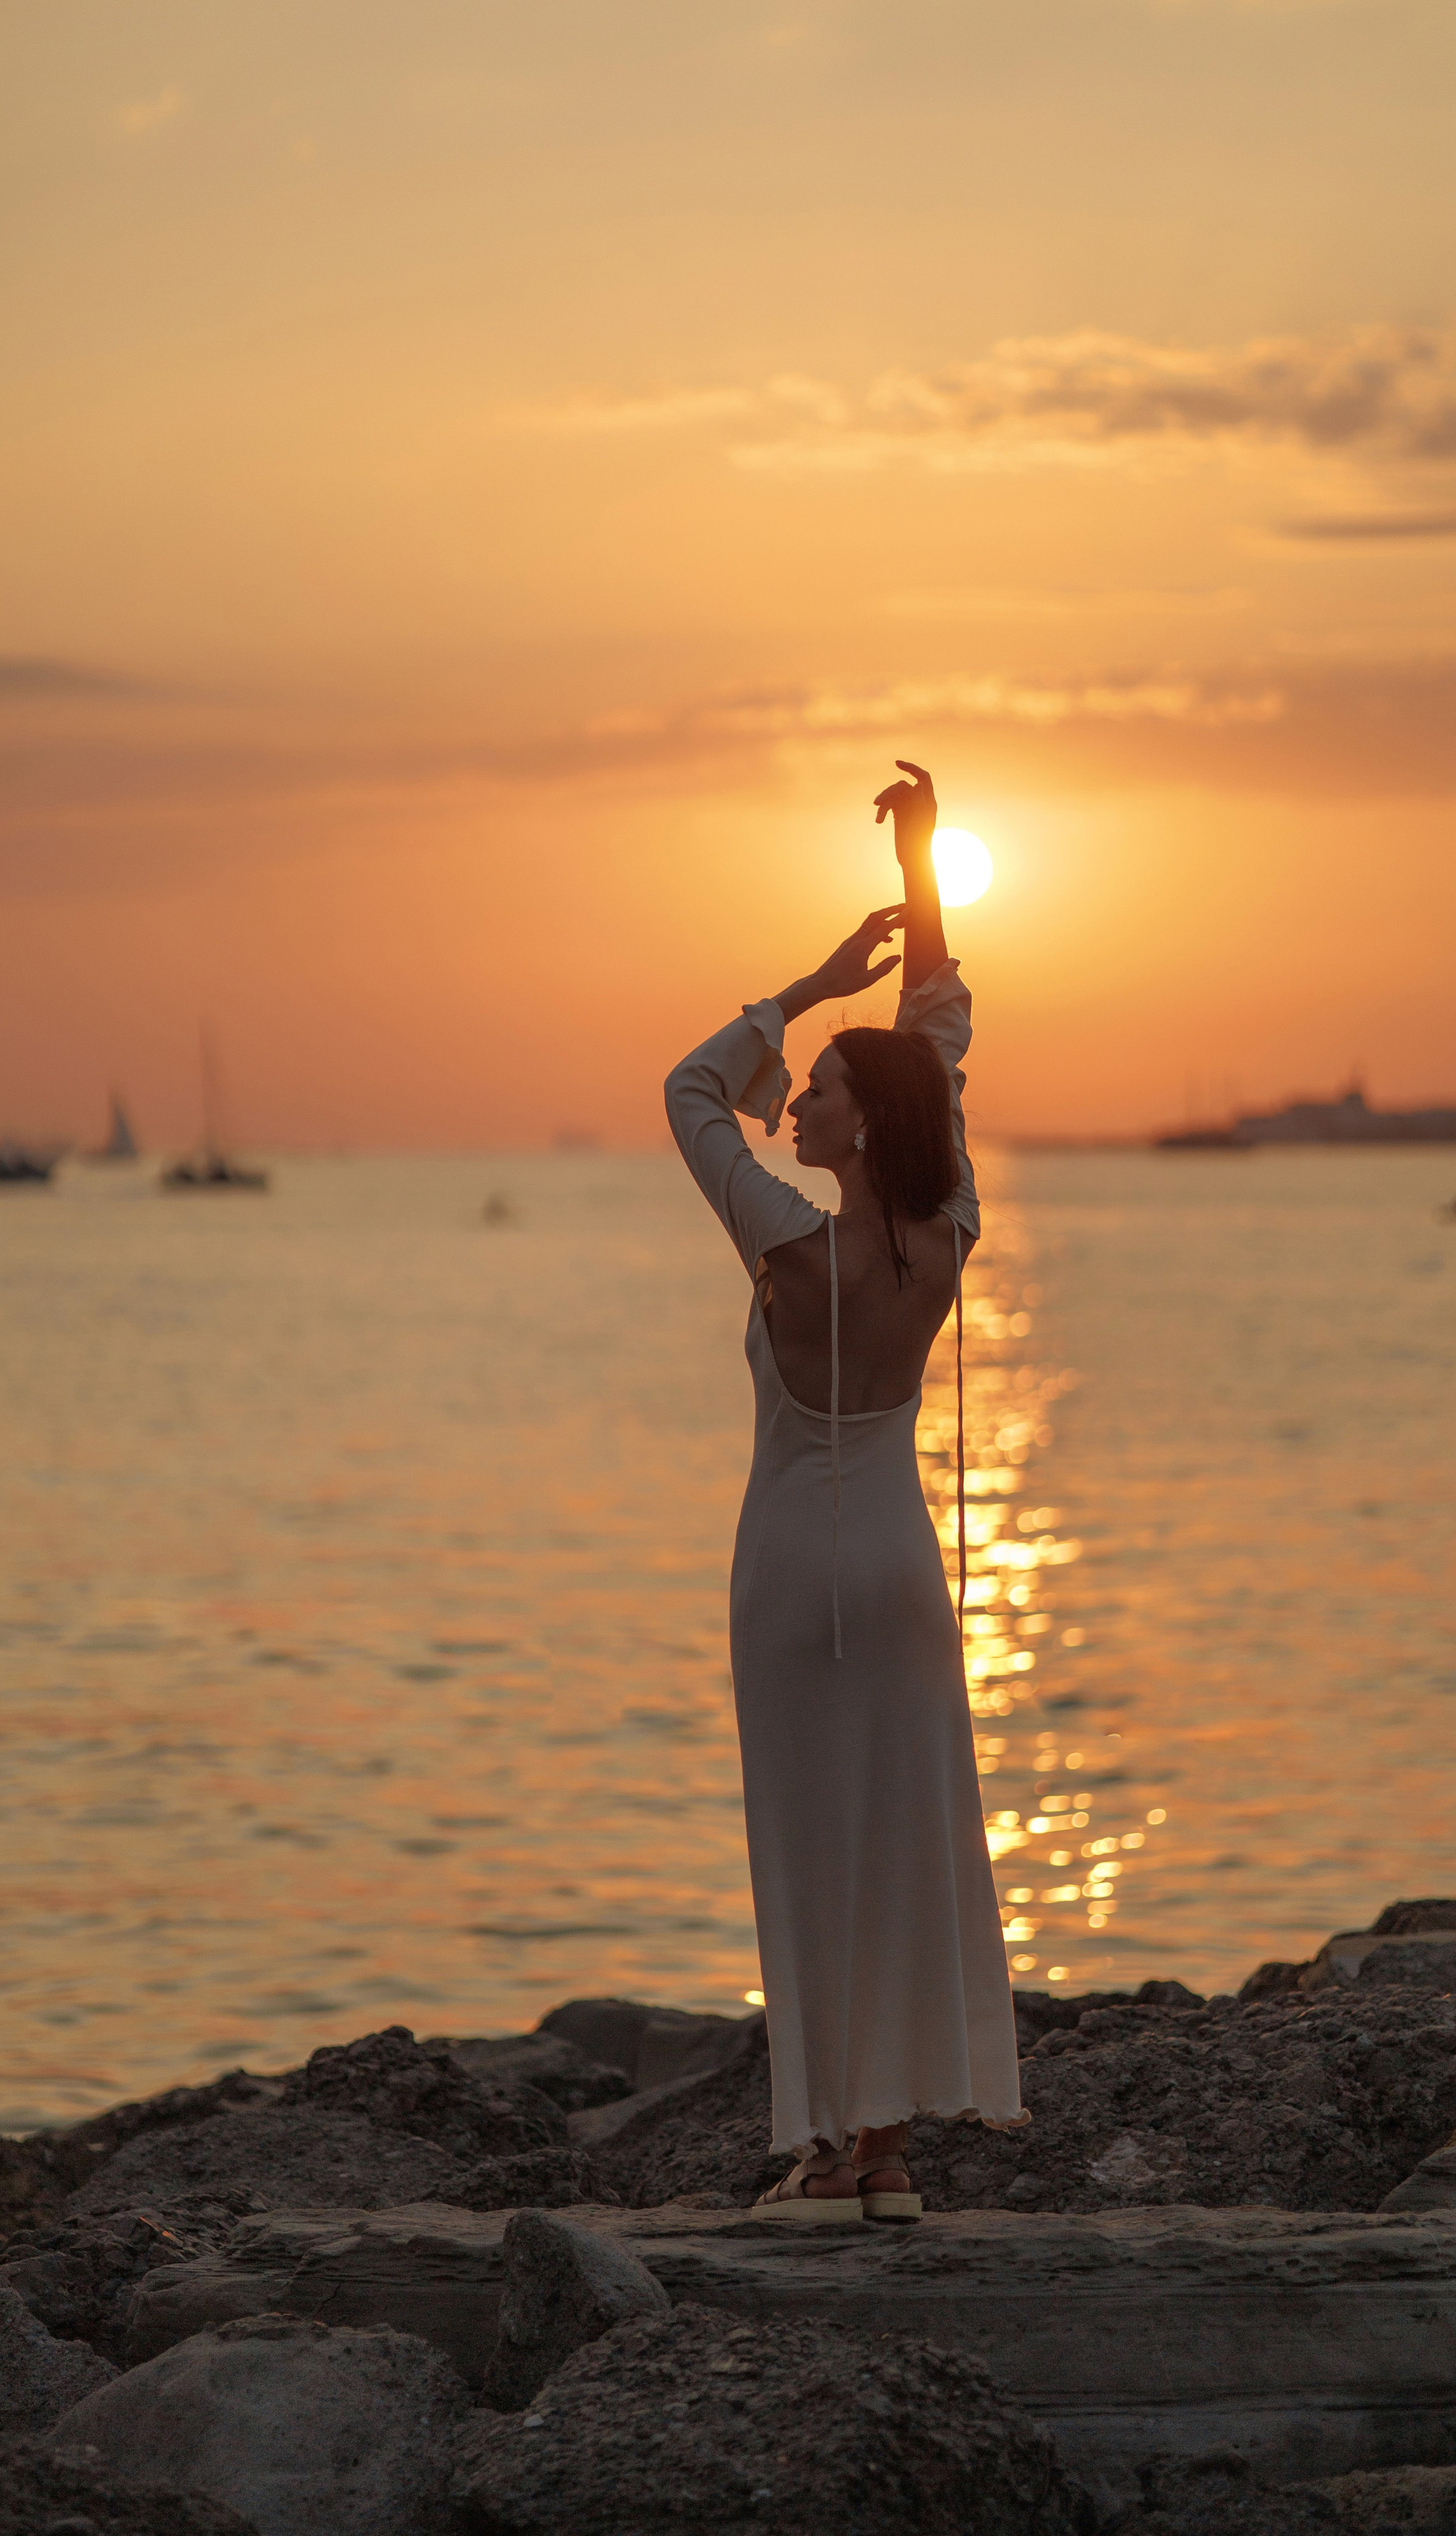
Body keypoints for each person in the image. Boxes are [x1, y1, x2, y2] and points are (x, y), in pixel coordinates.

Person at [663, 761, 1027, 2220]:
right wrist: (925, 866)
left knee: (808, 1842)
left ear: (855, 1126)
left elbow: (690, 1090)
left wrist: (811, 981)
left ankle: (828, 2145)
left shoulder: (781, 1244)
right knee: (904, 1838)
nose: (792, 1105)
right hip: (895, 1561)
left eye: (813, 1092)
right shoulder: (945, 1235)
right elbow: (938, 1034)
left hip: (784, 1570)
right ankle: (887, 2158)